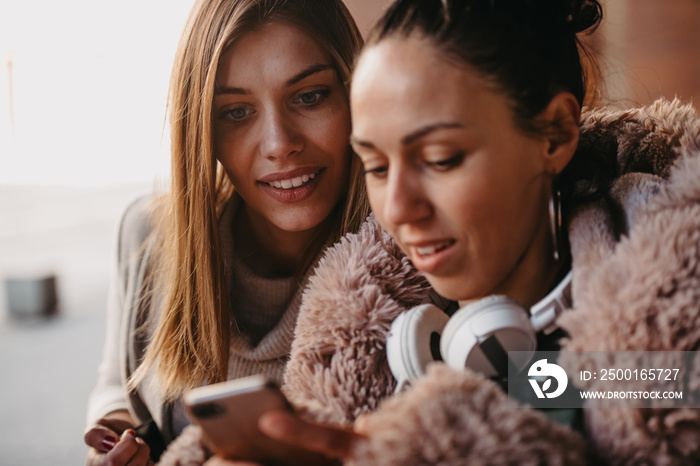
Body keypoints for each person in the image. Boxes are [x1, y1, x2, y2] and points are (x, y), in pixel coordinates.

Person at [274, 0, 700, 465]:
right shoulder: (366, 355)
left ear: (554, 136)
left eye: (440, 159)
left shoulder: (670, 356)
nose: (396, 207)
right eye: (375, 166)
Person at [82, 0, 369, 464]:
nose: (279, 144)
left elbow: (531, 387)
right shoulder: (149, 234)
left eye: (310, 96)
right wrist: (114, 433)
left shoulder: (414, 244)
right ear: (202, 131)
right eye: (236, 112)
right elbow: (117, 381)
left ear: (358, 92)